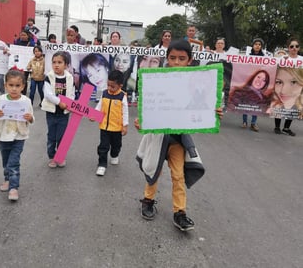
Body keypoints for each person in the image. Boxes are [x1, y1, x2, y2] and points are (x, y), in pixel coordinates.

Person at [134, 39, 224, 231]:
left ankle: (180, 212)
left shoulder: (195, 83)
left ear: (189, 60)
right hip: (158, 138)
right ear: (167, 58)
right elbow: (147, 109)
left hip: (178, 141)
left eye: (181, 58)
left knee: (178, 176)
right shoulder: (156, 81)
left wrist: (212, 113)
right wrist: (141, 121)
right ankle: (148, 200)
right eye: (172, 57)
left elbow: (201, 107)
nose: (176, 62)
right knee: (153, 171)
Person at [0, 69, 35, 201]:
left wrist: (29, 118)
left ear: (23, 86)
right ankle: (7, 179)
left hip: (19, 136)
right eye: (11, 85)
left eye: (17, 86)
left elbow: (32, 118)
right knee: (6, 161)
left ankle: (14, 187)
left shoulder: (26, 101)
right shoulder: (0, 99)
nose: (14, 89)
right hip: (3, 135)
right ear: (5, 85)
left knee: (13, 162)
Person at [41, 51, 75, 168]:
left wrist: (70, 103)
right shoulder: (49, 77)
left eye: (60, 62)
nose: (56, 65)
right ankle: (52, 156)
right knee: (52, 136)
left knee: (62, 136)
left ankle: (60, 157)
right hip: (51, 112)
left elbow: (72, 94)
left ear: (66, 65)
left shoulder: (70, 78)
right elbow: (48, 94)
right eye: (54, 62)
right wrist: (59, 102)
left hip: (64, 113)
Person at [92, 70, 129, 176]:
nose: (109, 88)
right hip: (104, 127)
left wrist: (125, 126)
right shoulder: (104, 94)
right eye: (108, 85)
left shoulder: (122, 96)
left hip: (117, 128)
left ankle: (114, 154)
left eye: (112, 86)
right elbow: (100, 106)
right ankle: (102, 164)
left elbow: (125, 112)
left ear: (120, 85)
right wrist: (94, 114)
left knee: (116, 145)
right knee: (103, 146)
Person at [271, 63, 303, 136]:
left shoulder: (300, 60)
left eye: (294, 82)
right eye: (279, 82)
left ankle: (286, 128)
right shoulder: (283, 59)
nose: (284, 91)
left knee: (292, 110)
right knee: (278, 109)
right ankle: (277, 127)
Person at [241, 38, 266, 131]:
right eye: (256, 44)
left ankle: (253, 123)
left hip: (259, 84)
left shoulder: (264, 58)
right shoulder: (248, 57)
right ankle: (244, 121)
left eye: (259, 44)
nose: (257, 46)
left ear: (261, 47)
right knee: (246, 102)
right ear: (253, 45)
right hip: (249, 82)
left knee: (256, 104)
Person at [14, 30, 36, 96]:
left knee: (32, 80)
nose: (22, 37)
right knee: (23, 79)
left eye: (24, 35)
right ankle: (22, 93)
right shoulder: (18, 42)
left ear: (27, 36)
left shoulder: (31, 43)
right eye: (21, 35)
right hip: (21, 65)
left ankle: (31, 92)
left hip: (30, 64)